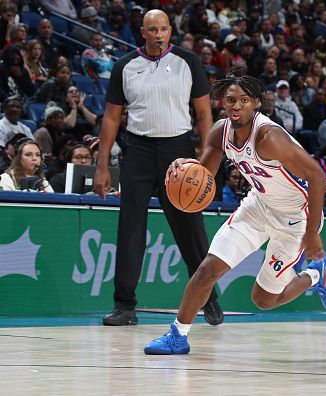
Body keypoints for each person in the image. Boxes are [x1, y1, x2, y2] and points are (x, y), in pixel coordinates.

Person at [143, 68, 326, 355]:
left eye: (244, 100)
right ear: (223, 103)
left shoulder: (269, 137)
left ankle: (315, 275)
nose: (236, 106)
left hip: (296, 219)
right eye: (231, 100)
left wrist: (311, 234)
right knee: (208, 269)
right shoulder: (220, 131)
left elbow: (316, 175)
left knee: (263, 300)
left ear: (256, 103)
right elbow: (204, 175)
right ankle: (177, 335)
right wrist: (186, 167)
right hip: (258, 206)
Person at [93, 9, 222, 327]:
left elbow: (204, 114)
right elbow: (111, 117)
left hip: (178, 151)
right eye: (152, 29)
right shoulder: (125, 66)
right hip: (137, 151)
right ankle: (125, 306)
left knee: (191, 230)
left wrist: (206, 161)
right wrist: (102, 165)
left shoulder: (187, 61)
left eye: (163, 28)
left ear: (169, 31)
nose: (159, 34)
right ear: (143, 32)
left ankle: (209, 298)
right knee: (130, 230)